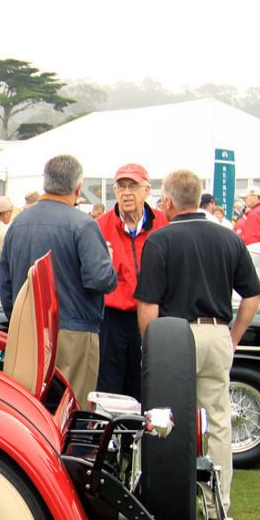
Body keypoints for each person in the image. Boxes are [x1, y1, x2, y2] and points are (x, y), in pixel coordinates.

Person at [135, 169, 260, 518]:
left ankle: (169, 503)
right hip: (217, 331)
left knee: (167, 419)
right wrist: (233, 336)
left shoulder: (160, 241)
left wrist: (152, 347)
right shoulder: (228, 238)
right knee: (219, 422)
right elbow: (252, 295)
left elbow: (148, 305)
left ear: (169, 202)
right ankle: (218, 504)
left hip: (175, 336)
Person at [0, 154, 117, 401]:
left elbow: (5, 283)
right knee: (72, 410)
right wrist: (109, 259)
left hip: (29, 330)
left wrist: (19, 320)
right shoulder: (83, 224)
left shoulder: (18, 223)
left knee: (29, 409)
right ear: (78, 187)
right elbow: (100, 279)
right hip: (73, 332)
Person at [95, 163, 167, 400]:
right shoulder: (100, 226)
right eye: (121, 186)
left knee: (145, 382)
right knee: (108, 385)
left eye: (133, 186)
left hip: (152, 315)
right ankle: (111, 435)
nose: (126, 192)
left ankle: (140, 436)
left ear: (147, 190)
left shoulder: (162, 224)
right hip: (111, 318)